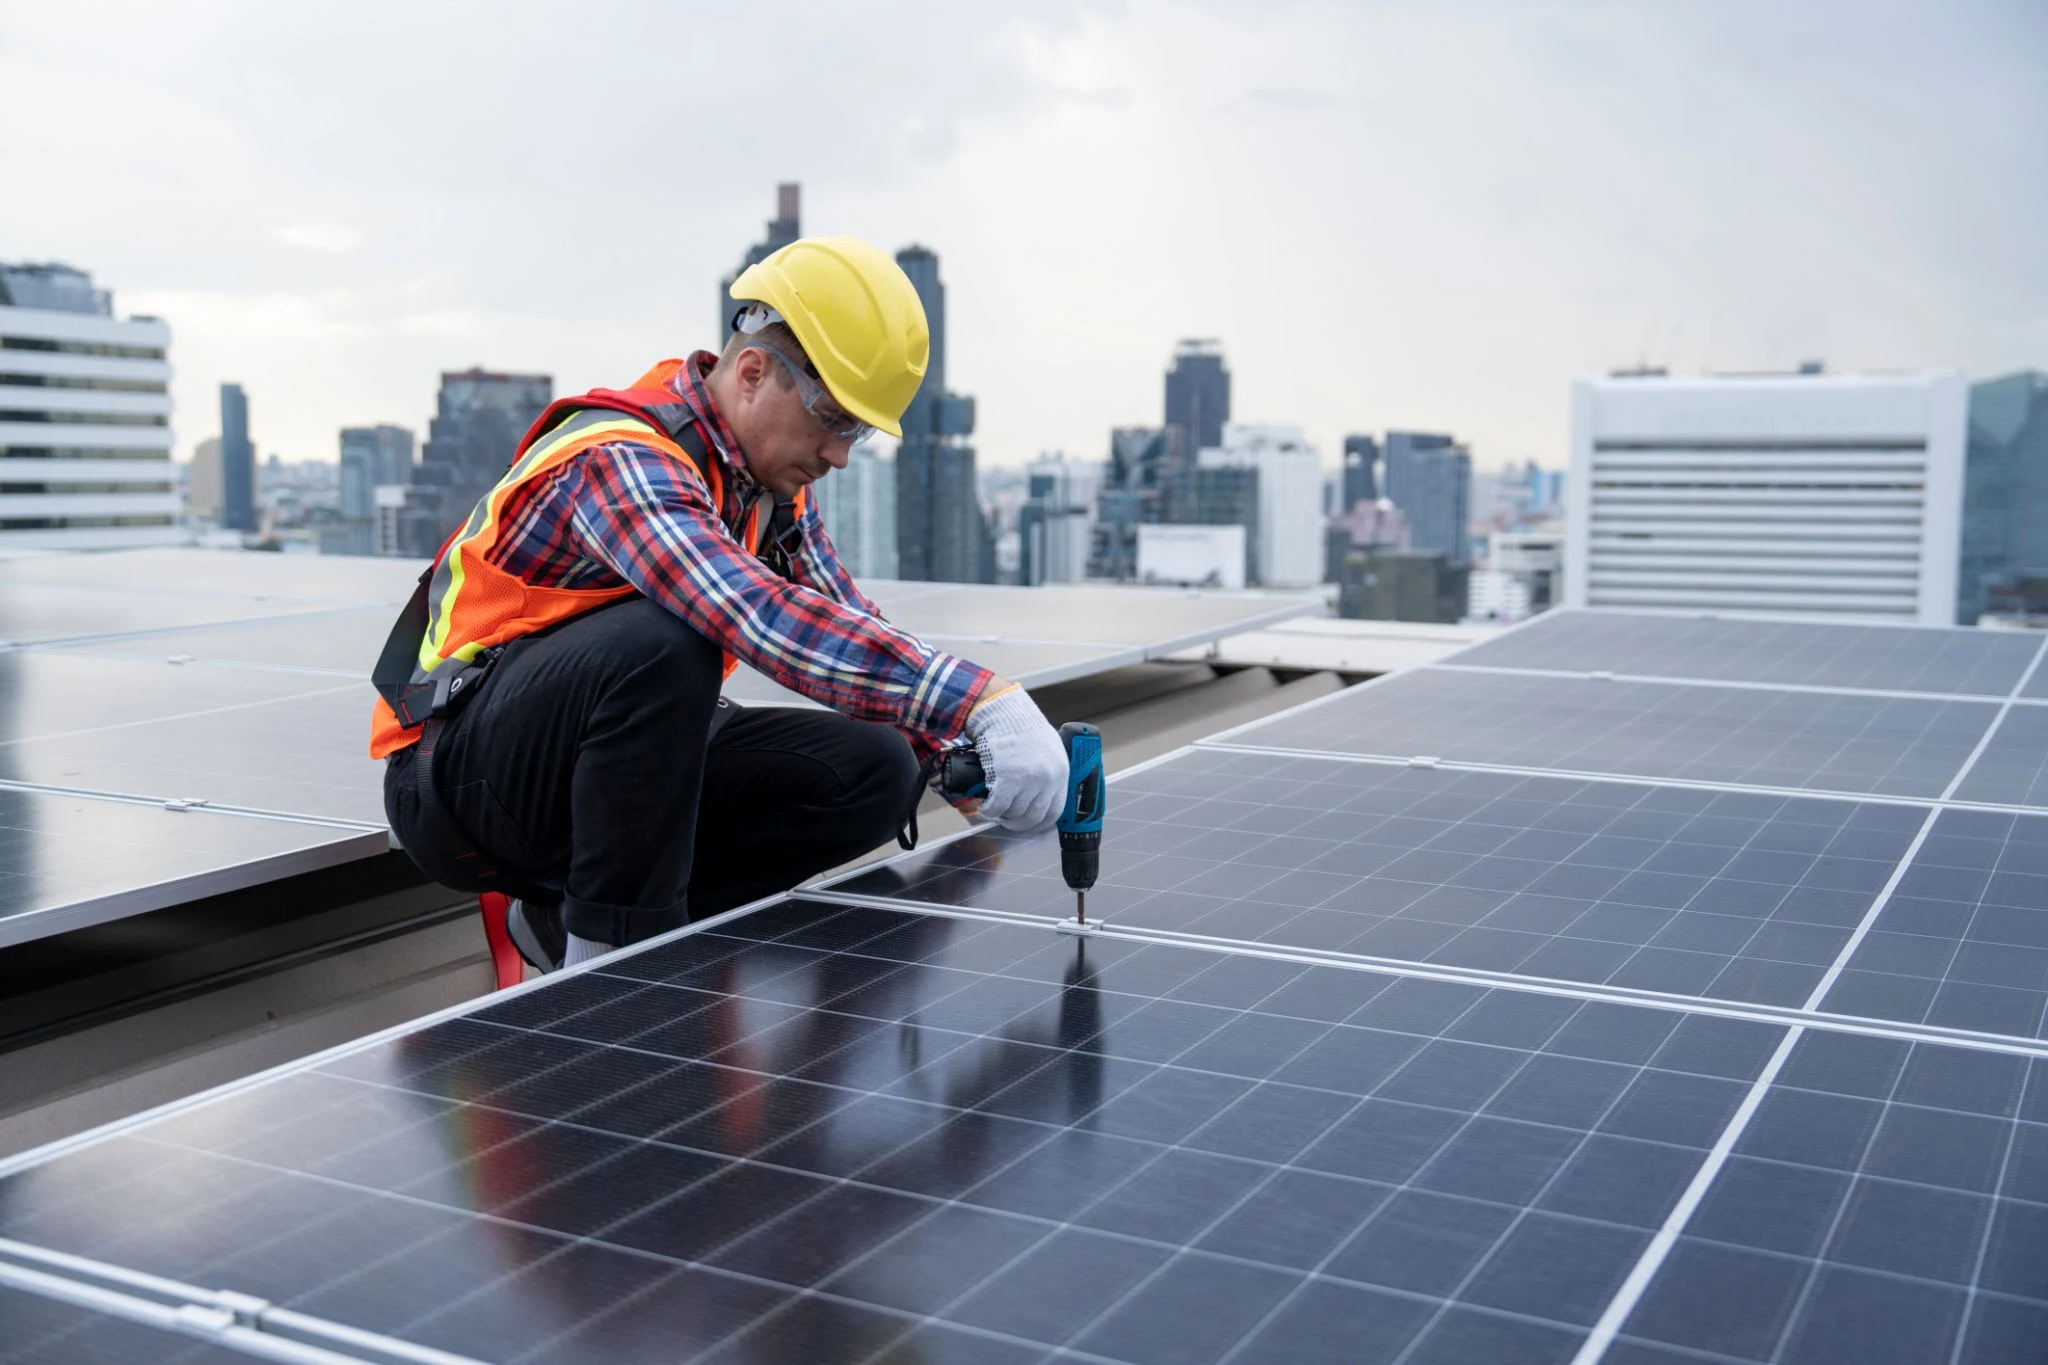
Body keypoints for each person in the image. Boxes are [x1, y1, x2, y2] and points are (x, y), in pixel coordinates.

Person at [369, 235, 1069, 971]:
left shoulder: (767, 490)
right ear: (753, 372)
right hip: (460, 781)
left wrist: (957, 756)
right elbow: (749, 610)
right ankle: (609, 973)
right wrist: (979, 700)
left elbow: (841, 620)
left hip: (595, 769)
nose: (839, 455)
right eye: (833, 418)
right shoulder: (621, 458)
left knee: (879, 769)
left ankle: (563, 925)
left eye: (856, 431)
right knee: (667, 640)